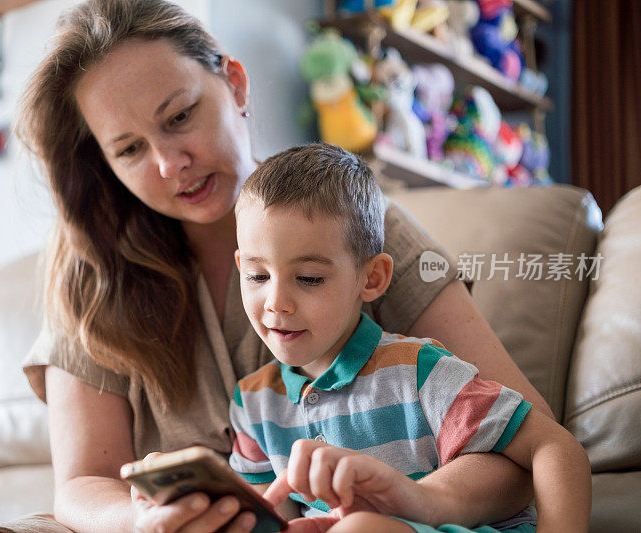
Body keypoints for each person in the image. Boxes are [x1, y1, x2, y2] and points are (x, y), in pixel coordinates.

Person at [15, 0, 558, 531]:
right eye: (129, 149)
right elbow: (82, 482)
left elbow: (528, 448)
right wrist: (139, 518)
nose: (168, 163)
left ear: (236, 84)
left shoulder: (362, 224)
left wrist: (413, 499)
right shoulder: (90, 276)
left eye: (180, 116)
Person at [228, 143, 591, 533]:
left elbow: (554, 446)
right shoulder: (252, 405)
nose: (276, 303)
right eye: (258, 276)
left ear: (372, 278)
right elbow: (273, 519)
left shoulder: (419, 370)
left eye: (310, 278)